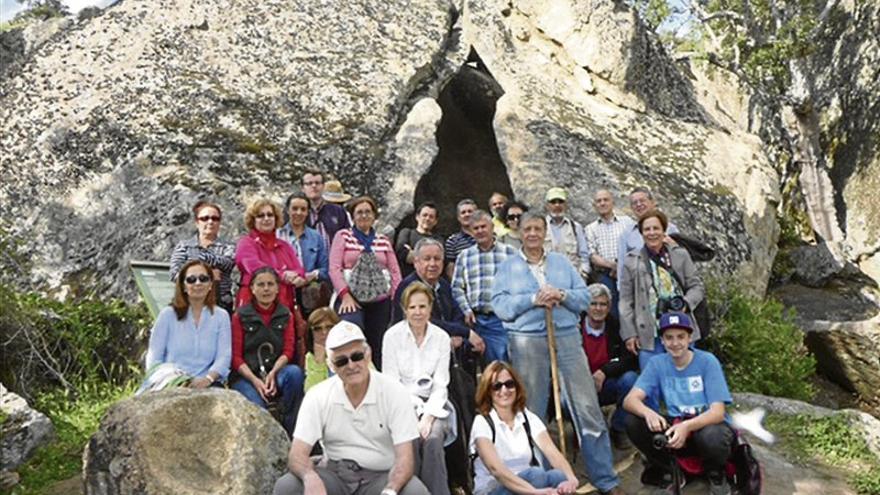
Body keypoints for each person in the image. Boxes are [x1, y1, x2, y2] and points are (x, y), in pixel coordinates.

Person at [492, 212, 624, 495]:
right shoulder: (508, 267)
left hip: (565, 338)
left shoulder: (562, 263)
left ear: (545, 232)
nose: (532, 234)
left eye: (538, 228)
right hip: (527, 341)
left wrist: (562, 295)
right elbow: (500, 306)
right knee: (531, 412)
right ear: (520, 232)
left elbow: (584, 298)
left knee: (587, 409)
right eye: (527, 229)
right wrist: (532, 299)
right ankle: (539, 481)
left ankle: (605, 480)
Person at [273, 321, 430, 495]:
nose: (351, 365)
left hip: (381, 477)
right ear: (331, 365)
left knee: (415, 491)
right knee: (287, 486)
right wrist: (309, 477)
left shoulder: (394, 392)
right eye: (341, 361)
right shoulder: (317, 396)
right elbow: (297, 455)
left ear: (368, 355)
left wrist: (390, 490)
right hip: (334, 475)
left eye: (357, 356)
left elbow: (405, 459)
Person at [623, 312, 734, 495]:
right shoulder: (657, 363)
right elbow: (630, 400)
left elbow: (718, 412)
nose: (675, 343)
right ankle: (669, 469)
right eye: (669, 338)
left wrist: (687, 426)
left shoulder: (707, 361)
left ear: (690, 338)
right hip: (677, 424)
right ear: (663, 341)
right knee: (633, 421)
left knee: (712, 435)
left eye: (681, 337)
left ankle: (716, 474)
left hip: (705, 425)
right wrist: (648, 413)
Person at [383, 282, 453, 495]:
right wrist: (411, 415)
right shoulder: (392, 337)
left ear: (430, 308)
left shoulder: (441, 337)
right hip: (401, 405)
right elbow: (391, 383)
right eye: (412, 307)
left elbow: (441, 385)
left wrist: (428, 418)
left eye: (422, 307)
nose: (417, 312)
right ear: (404, 309)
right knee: (409, 441)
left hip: (435, 405)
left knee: (433, 440)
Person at [470, 361, 579, 495]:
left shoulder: (527, 417)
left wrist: (571, 479)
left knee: (558, 476)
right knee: (536, 474)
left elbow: (552, 452)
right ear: (487, 391)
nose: (504, 390)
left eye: (509, 384)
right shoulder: (482, 422)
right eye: (496, 386)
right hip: (495, 488)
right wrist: (534, 492)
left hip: (530, 484)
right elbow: (496, 470)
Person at [619, 209, 704, 371]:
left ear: (664, 230)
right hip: (649, 333)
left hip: (682, 328)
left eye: (656, 228)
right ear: (641, 233)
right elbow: (625, 300)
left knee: (685, 377)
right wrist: (629, 333)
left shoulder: (680, 255)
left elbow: (696, 286)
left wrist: (686, 303)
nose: (652, 233)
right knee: (652, 383)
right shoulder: (632, 261)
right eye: (647, 229)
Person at [230, 267, 305, 435]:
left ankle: (291, 432)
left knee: (295, 373)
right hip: (247, 377)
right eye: (261, 284)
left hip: (275, 373)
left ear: (278, 288)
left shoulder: (286, 314)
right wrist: (256, 381)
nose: (266, 289)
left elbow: (288, 350)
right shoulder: (240, 316)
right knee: (259, 409)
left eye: (270, 284)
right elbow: (235, 357)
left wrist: (273, 373)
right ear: (252, 289)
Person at [329, 195, 402, 368]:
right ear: (352, 216)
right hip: (350, 297)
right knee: (353, 333)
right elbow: (334, 268)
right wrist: (345, 295)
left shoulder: (382, 240)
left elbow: (394, 270)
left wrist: (394, 295)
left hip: (380, 299)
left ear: (374, 215)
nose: (363, 216)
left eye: (367, 212)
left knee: (380, 341)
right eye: (359, 212)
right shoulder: (343, 236)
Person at [144, 260, 231, 390]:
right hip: (169, 383)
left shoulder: (221, 316)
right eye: (191, 279)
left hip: (207, 383)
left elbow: (224, 356)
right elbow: (154, 360)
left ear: (210, 284)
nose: (198, 283)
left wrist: (208, 379)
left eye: (203, 279)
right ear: (183, 286)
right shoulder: (167, 315)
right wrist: (178, 381)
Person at [391, 238, 482, 352]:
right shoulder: (409, 287)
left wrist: (458, 335)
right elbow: (424, 320)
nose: (432, 264)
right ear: (416, 262)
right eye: (427, 259)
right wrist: (464, 332)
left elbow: (456, 312)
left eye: (437, 259)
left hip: (448, 344)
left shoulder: (443, 284)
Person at [451, 210, 517, 363]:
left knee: (500, 364)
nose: (480, 231)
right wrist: (466, 309)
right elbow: (456, 288)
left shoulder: (510, 253)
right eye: (476, 228)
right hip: (474, 321)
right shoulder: (464, 256)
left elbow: (519, 285)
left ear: (492, 227)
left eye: (483, 226)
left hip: (501, 320)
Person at [582, 283, 639, 450]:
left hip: (607, 384)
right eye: (593, 303)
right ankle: (583, 432)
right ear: (585, 305)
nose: (598, 308)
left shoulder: (617, 325)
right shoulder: (573, 327)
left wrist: (604, 371)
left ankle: (618, 428)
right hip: (579, 386)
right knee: (564, 400)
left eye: (603, 304)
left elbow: (630, 359)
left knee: (631, 381)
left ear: (609, 306)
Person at [235, 198, 306, 311]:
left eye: (270, 215)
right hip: (253, 306)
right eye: (260, 216)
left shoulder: (284, 246)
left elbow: (299, 269)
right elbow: (254, 267)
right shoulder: (246, 243)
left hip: (284, 305)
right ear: (253, 220)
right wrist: (283, 275)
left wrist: (296, 277)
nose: (266, 219)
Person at [169, 200, 236, 312]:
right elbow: (175, 274)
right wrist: (208, 274)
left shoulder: (229, 247)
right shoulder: (184, 246)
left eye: (215, 218)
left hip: (220, 304)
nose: (210, 222)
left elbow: (227, 264)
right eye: (205, 218)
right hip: (189, 304)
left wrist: (197, 260)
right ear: (196, 222)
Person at [277, 192, 331, 312]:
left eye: (303, 209)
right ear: (287, 210)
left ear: (308, 212)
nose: (299, 213)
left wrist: (308, 277)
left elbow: (325, 269)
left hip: (310, 293)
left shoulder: (316, 237)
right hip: (283, 291)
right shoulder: (277, 235)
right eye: (295, 209)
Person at [616, 187, 679, 284]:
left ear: (652, 202)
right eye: (634, 203)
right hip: (639, 287)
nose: (639, 204)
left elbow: (681, 259)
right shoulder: (626, 235)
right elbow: (622, 267)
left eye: (642, 200)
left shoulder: (670, 229)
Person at [584, 190, 631, 319]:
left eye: (606, 200)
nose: (602, 203)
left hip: (628, 272)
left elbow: (634, 246)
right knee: (610, 312)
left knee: (631, 308)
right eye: (599, 201)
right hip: (605, 274)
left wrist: (621, 266)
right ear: (594, 205)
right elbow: (592, 255)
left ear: (612, 202)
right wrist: (613, 265)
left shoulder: (627, 223)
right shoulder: (590, 228)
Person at [543, 187, 591, 281]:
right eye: (553, 202)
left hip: (573, 279)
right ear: (547, 205)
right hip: (548, 280)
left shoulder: (576, 227)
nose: (557, 205)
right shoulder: (540, 227)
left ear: (566, 205)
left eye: (560, 201)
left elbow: (584, 255)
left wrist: (583, 275)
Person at [301, 169, 351, 249]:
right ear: (303, 188)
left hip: (333, 260)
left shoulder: (338, 212)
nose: (314, 186)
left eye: (317, 183)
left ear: (323, 186)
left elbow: (347, 239)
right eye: (309, 183)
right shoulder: (296, 212)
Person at [395, 202, 441, 278]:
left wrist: (413, 253)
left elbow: (440, 261)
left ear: (435, 221)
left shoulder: (439, 239)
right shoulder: (406, 233)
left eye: (431, 216)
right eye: (424, 215)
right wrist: (427, 258)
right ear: (417, 217)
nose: (427, 218)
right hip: (408, 282)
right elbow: (401, 254)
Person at [303, 307, 341, 392]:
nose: (324, 332)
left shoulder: (353, 349)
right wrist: (319, 363)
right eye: (317, 329)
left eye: (329, 327)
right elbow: (310, 393)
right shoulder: (310, 357)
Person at [444, 199, 477, 279]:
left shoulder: (488, 237)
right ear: (458, 218)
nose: (467, 214)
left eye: (470, 211)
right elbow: (450, 269)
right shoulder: (452, 241)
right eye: (463, 212)